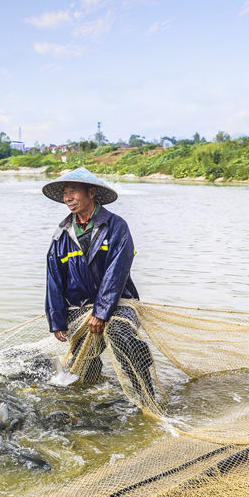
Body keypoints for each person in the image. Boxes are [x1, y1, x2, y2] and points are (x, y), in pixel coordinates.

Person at [42, 167, 156, 403]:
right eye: (65, 193)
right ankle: (90, 396)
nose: (67, 198)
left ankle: (146, 396)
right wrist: (57, 320)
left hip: (120, 303)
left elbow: (117, 271)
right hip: (81, 308)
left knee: (121, 335)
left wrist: (102, 312)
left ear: (91, 192)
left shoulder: (116, 226)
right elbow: (54, 278)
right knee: (83, 367)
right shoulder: (61, 235)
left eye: (73, 191)